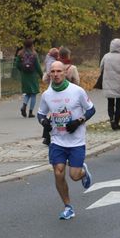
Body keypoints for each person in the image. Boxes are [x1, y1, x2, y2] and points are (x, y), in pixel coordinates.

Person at [37, 61, 95, 220]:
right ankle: (68, 207)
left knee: (74, 175)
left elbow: (91, 109)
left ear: (65, 73)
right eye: (52, 71)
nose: (55, 74)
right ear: (49, 74)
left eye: (59, 71)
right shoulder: (47, 95)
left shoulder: (77, 91)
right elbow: (40, 113)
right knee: (58, 172)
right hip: (57, 141)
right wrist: (44, 122)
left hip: (76, 141)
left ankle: (83, 172)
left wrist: (78, 121)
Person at [101, 38, 120, 130]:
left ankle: (111, 119)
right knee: (119, 104)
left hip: (108, 83)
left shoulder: (106, 56)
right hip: (119, 84)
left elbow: (101, 67)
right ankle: (116, 122)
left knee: (110, 103)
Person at [14, 37, 43, 118]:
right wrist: (41, 75)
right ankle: (30, 112)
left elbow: (17, 65)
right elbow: (37, 66)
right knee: (33, 94)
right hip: (33, 75)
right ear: (32, 45)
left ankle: (24, 106)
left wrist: (22, 70)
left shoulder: (20, 54)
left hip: (24, 75)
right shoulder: (34, 54)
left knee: (27, 93)